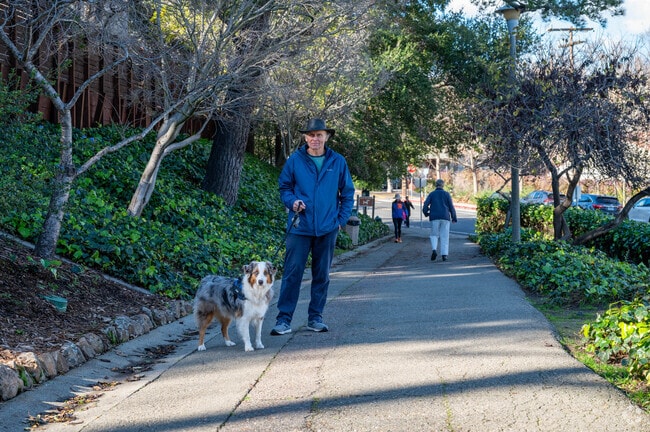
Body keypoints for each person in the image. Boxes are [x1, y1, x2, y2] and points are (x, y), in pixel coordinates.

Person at [271, 118, 355, 335]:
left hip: (327, 229)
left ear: (327, 136)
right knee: (292, 274)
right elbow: (284, 188)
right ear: (305, 137)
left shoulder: (337, 162)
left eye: (319, 135)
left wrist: (340, 221)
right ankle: (283, 320)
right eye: (311, 135)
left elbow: (347, 194)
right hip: (299, 227)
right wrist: (292, 202)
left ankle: (315, 318)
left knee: (322, 275)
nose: (314, 139)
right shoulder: (295, 161)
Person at [422, 179, 457, 261]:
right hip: (445, 216)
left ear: (435, 185)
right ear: (443, 185)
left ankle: (434, 249)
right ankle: (444, 255)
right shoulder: (446, 194)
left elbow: (425, 204)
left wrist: (426, 213)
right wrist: (454, 217)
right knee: (444, 236)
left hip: (434, 216)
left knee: (434, 234)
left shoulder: (432, 194)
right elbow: (451, 206)